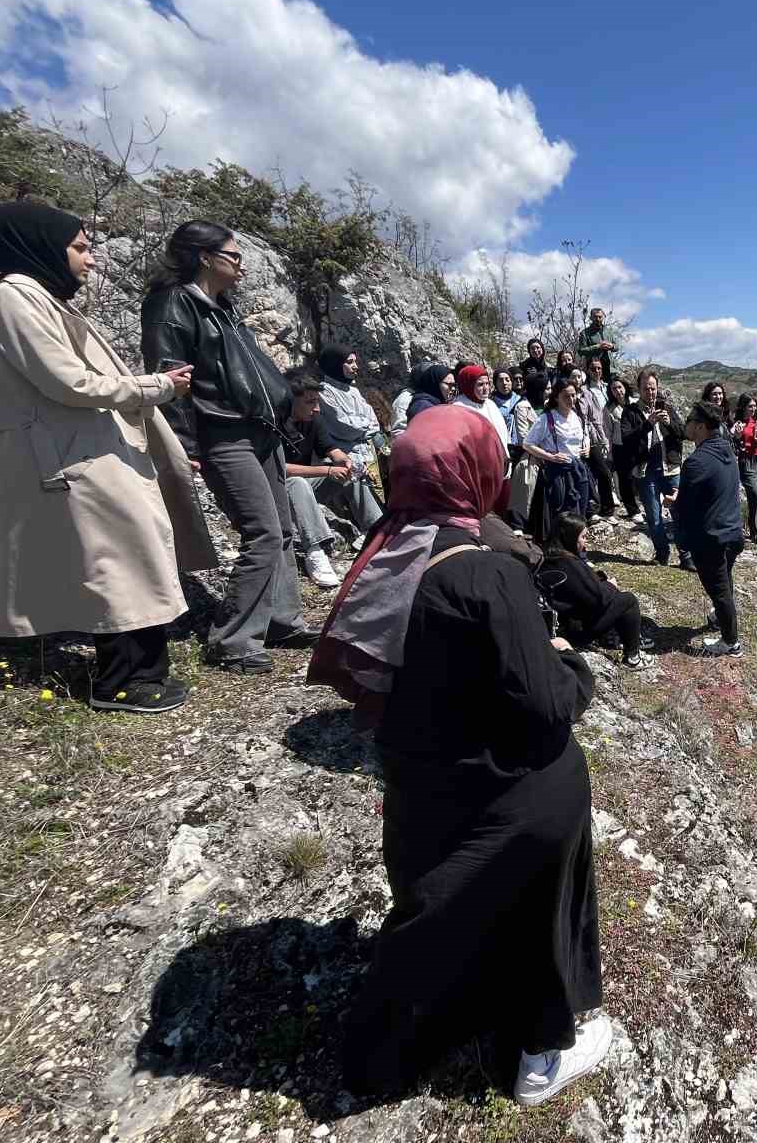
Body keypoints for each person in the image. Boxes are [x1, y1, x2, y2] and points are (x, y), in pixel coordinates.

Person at [307, 408, 608, 1101]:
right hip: (509, 793)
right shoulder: (483, 573)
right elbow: (547, 703)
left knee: (444, 910)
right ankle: (542, 1053)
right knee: (541, 895)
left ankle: (455, 1010)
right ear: (478, 472)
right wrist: (571, 661)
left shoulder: (386, 551)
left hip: (427, 787)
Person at [0, 200, 215, 714]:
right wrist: (155, 386)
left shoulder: (36, 297)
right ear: (40, 245)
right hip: (70, 455)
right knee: (118, 559)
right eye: (80, 248)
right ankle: (123, 683)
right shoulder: (15, 296)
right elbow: (66, 380)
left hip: (81, 448)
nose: (91, 259)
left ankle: (136, 673)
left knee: (125, 554)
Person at [142, 219, 312, 673]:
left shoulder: (223, 308)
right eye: (233, 255)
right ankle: (232, 637)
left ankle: (280, 619)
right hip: (223, 434)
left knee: (283, 529)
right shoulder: (174, 304)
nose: (241, 264)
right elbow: (170, 376)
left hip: (260, 432)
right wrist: (184, 443)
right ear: (204, 256)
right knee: (263, 531)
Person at [283, 370, 383, 576]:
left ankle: (377, 530)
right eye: (310, 402)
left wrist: (347, 461)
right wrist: (327, 470)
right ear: (291, 400)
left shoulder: (312, 420)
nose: (317, 409)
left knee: (351, 472)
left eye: (317, 401)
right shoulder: (275, 422)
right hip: (280, 490)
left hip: (308, 484)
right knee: (297, 483)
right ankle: (315, 550)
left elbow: (330, 449)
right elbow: (279, 468)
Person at [670, 401, 744, 656]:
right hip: (733, 532)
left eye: (690, 421)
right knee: (725, 581)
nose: (686, 425)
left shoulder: (696, 462)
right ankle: (719, 619)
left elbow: (685, 508)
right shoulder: (726, 449)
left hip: (711, 538)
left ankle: (731, 642)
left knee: (720, 590)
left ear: (700, 427)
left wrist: (673, 504)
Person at [540, 513, 654, 670]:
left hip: (559, 626)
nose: (586, 542)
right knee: (627, 600)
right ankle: (633, 658)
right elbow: (598, 599)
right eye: (583, 537)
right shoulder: (568, 563)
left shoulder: (547, 556)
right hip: (574, 632)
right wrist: (611, 585)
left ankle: (613, 637)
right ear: (571, 537)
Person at [621, 370, 687, 567]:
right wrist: (647, 424)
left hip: (671, 468)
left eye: (653, 388)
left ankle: (687, 556)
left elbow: (684, 433)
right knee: (653, 515)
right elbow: (627, 441)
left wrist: (670, 423)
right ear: (639, 389)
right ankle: (662, 553)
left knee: (680, 512)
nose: (650, 392)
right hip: (646, 470)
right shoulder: (630, 412)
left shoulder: (667, 408)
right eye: (646, 388)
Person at [523, 377, 592, 527]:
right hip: (558, 473)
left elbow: (584, 435)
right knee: (562, 513)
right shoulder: (547, 419)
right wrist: (550, 456)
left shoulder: (576, 416)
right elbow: (528, 444)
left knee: (580, 510)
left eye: (573, 395)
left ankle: (577, 544)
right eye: (566, 396)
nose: (571, 399)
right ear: (556, 397)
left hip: (578, 470)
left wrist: (586, 445)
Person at [315, 346, 382, 476]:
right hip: (345, 460)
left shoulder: (354, 391)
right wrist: (366, 425)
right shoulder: (324, 391)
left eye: (355, 362)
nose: (355, 366)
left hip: (367, 458)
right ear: (335, 364)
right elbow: (344, 427)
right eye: (350, 362)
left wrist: (361, 425)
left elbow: (375, 423)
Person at [573, 366, 616, 520]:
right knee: (584, 476)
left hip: (590, 440)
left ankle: (608, 509)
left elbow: (596, 418)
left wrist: (599, 438)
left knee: (604, 473)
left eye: (578, 376)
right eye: (573, 376)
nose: (576, 379)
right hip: (572, 444)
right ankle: (589, 512)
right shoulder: (565, 396)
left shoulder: (588, 394)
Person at [508, 373, 547, 535]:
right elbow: (525, 437)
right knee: (525, 480)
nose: (548, 392)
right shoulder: (522, 407)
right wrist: (545, 453)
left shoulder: (547, 405)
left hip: (550, 452)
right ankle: (519, 524)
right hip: (532, 453)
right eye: (546, 388)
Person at [732, 392, 757, 542]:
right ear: (743, 407)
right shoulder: (738, 424)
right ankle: (754, 528)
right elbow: (734, 443)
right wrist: (737, 436)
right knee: (755, 494)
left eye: (755, 406)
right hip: (746, 460)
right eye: (750, 406)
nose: (753, 409)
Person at [454, 363, 511, 462]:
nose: (486, 389)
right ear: (469, 385)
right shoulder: (458, 408)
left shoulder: (490, 404)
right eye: (480, 384)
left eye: (487, 383)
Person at [605, 378, 640, 520]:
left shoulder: (635, 403)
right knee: (624, 480)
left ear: (625, 387)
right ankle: (633, 510)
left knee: (639, 476)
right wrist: (610, 451)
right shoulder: (609, 409)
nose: (618, 391)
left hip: (638, 444)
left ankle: (643, 503)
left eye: (619, 387)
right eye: (614, 389)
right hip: (619, 446)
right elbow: (608, 431)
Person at [577, 307, 620, 384]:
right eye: (595, 317)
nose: (598, 319)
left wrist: (612, 346)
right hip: (595, 370)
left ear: (603, 317)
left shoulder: (608, 331)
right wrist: (598, 346)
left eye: (600, 317)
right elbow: (581, 351)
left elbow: (617, 347)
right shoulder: (585, 333)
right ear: (591, 318)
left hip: (611, 370)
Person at [492, 369, 526, 454]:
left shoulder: (521, 400)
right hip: (499, 447)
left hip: (519, 447)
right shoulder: (490, 404)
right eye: (500, 380)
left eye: (507, 380)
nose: (504, 383)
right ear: (495, 383)